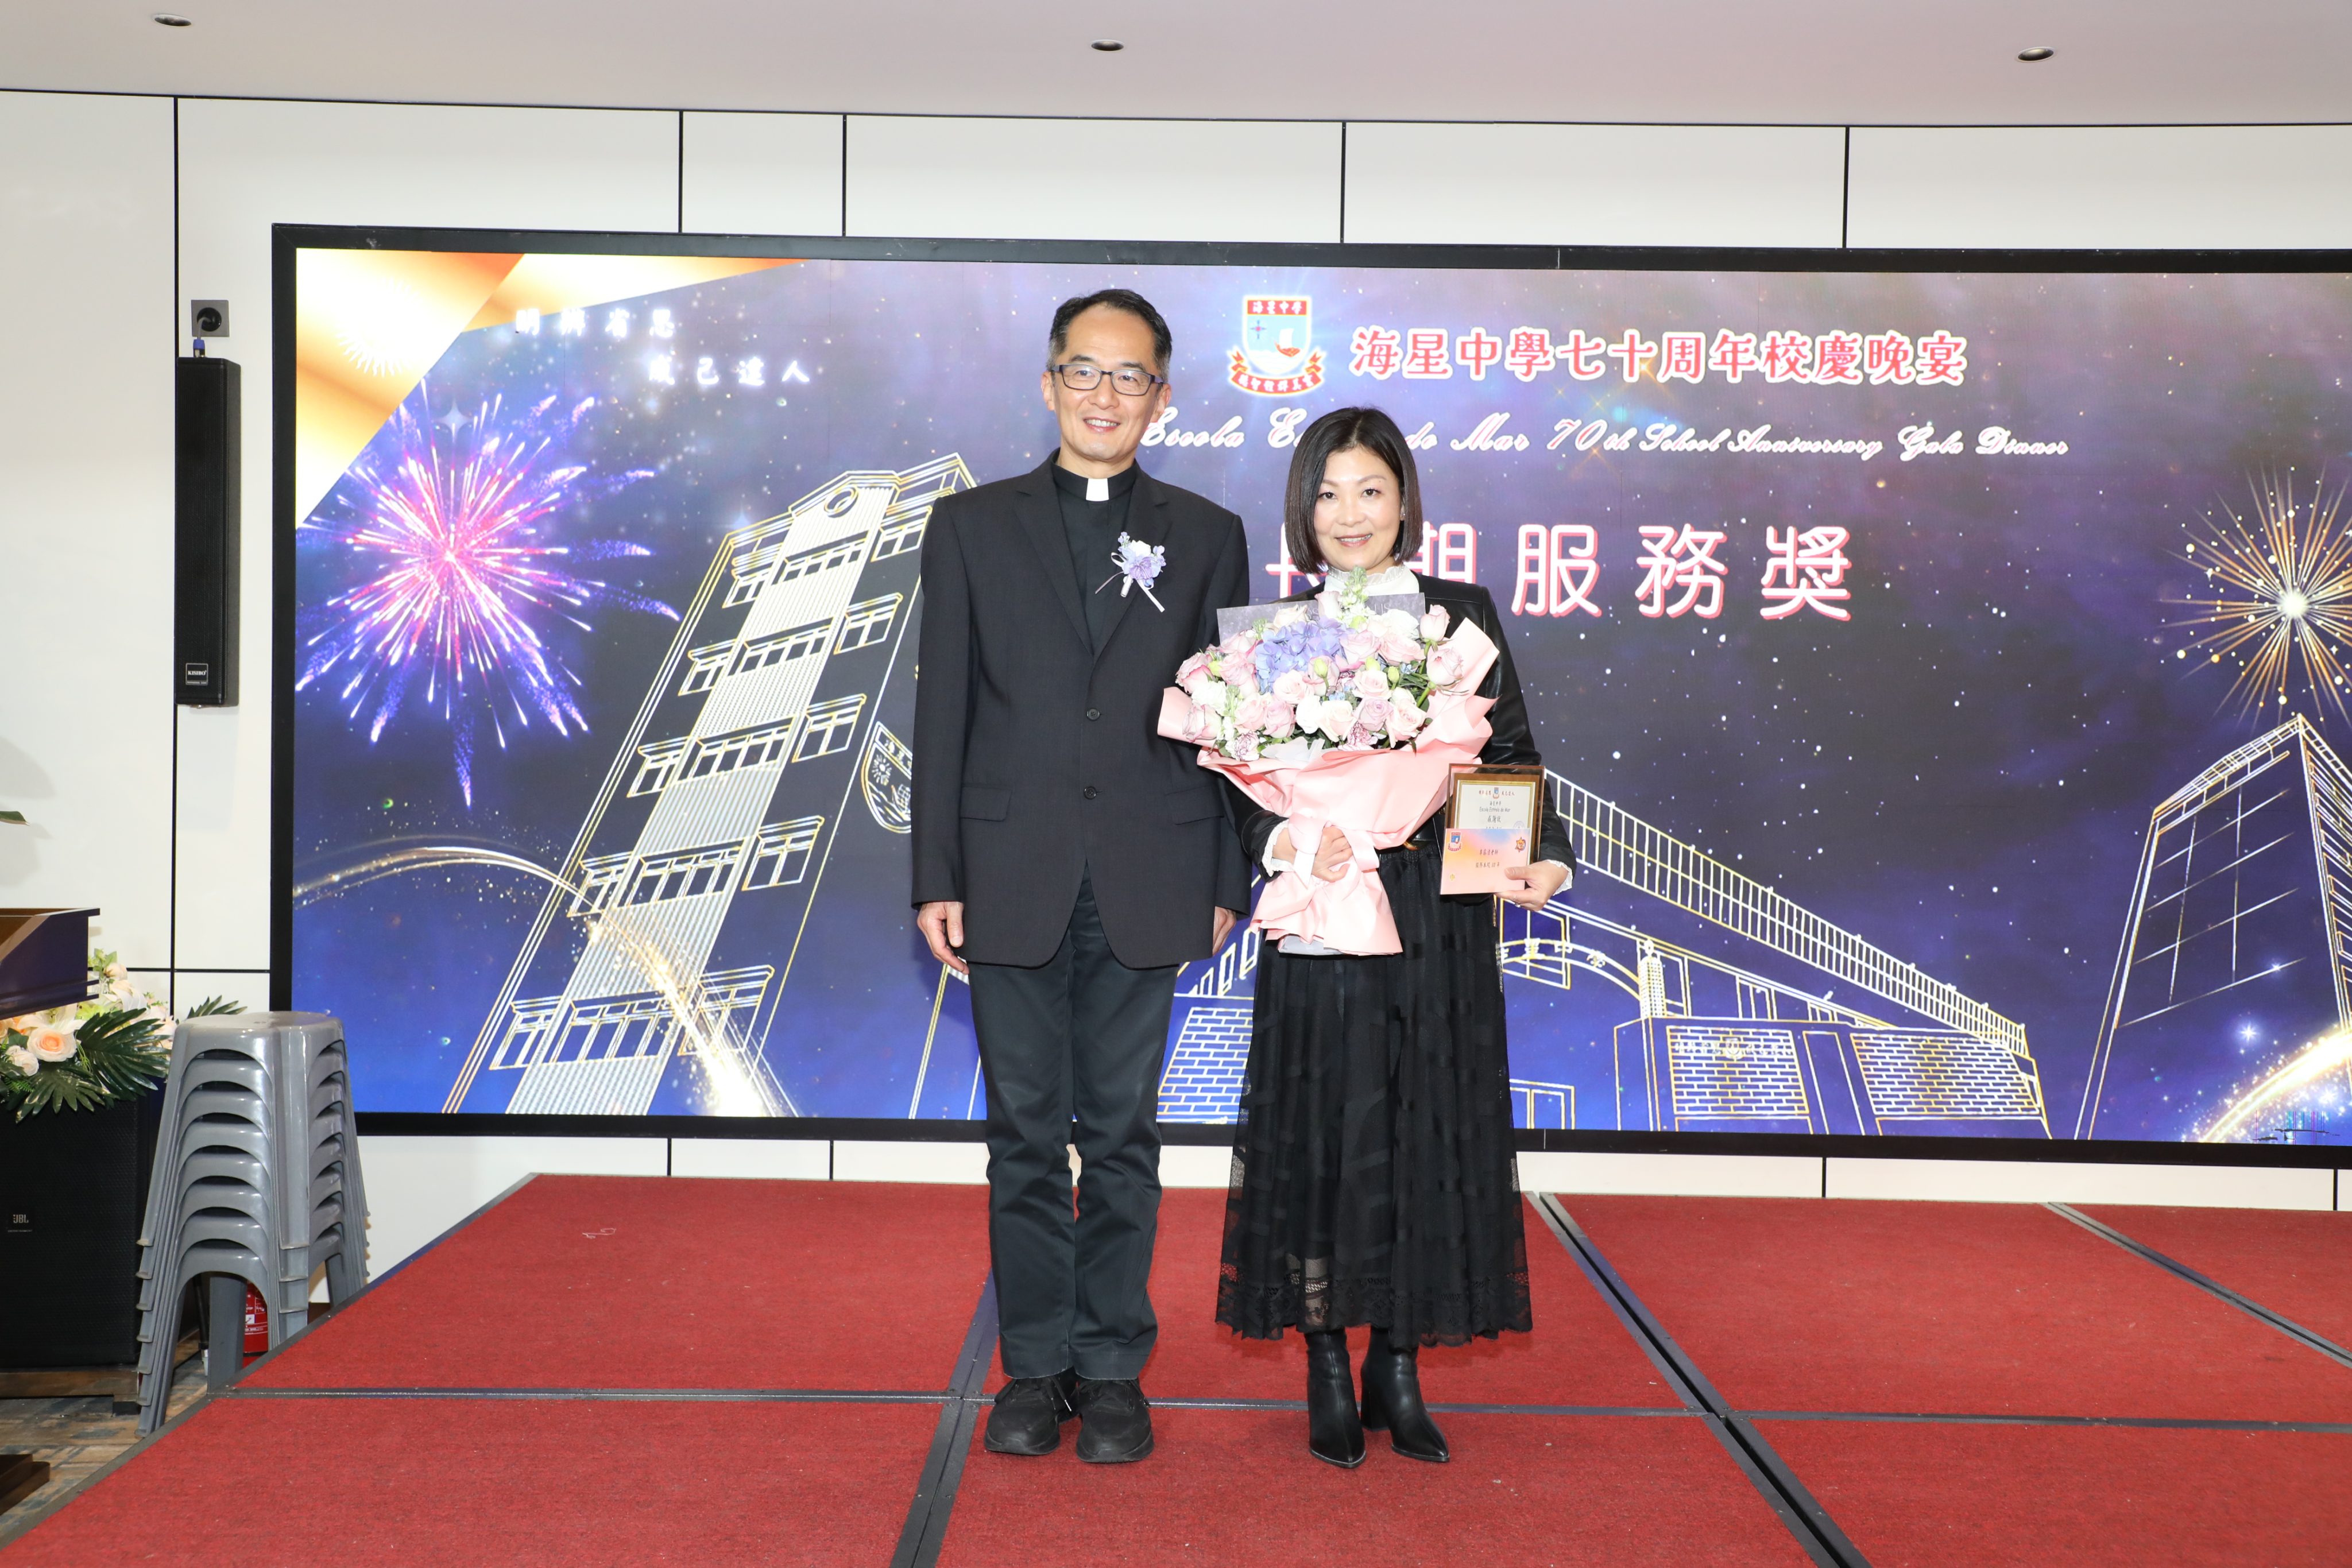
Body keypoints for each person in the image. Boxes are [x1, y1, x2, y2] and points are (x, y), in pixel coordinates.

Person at [911, 288, 1252, 1464]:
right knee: (1020, 1136)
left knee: (1119, 1134)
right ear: (1049, 382)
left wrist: (1225, 873)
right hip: (1009, 868)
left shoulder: (1205, 532)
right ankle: (1033, 1366)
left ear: (1163, 396)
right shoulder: (969, 526)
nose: (1106, 395)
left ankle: (1109, 1370)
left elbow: (1228, 722)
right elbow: (943, 710)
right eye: (1085, 371)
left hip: (1153, 870)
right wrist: (936, 873)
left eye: (1131, 376)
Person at [1215, 406, 1575, 1468]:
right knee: (1326, 1128)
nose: (1350, 514)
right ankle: (1328, 1358)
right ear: (1303, 509)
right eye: (1328, 494)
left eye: (1370, 490)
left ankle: (1399, 1362)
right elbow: (1234, 787)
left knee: (1428, 1122)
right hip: (1328, 904)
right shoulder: (1269, 635)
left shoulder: (1461, 614)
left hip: (1437, 911)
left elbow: (1505, 756)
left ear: (1405, 500)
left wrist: (1535, 859)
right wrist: (1287, 840)